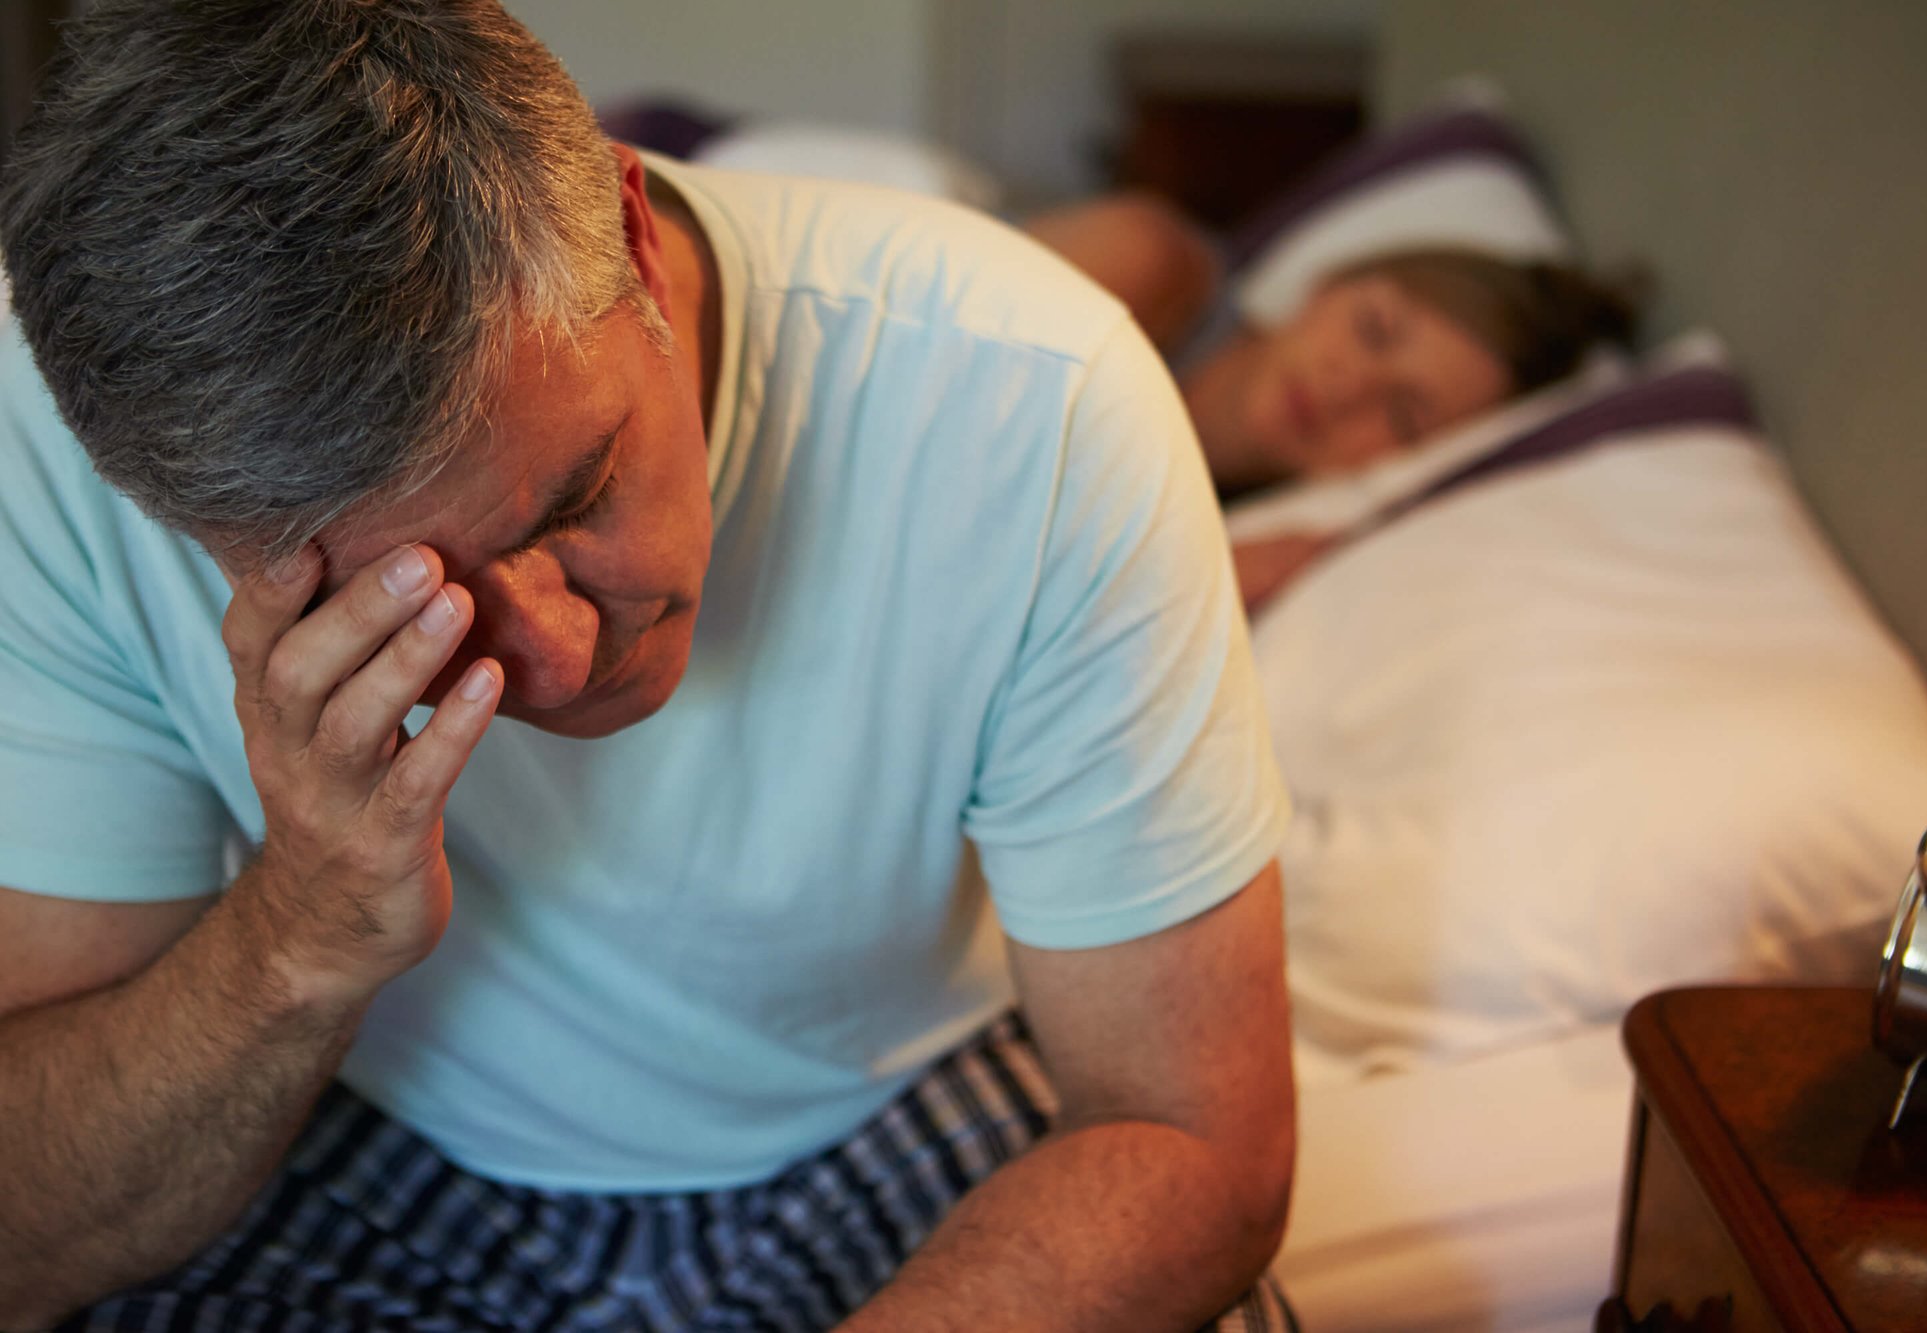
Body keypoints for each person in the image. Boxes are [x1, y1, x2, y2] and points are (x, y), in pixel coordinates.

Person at [0, 4, 1294, 1331]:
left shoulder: (1031, 395)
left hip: (878, 1100)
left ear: (634, 239)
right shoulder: (50, 445)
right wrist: (300, 937)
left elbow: (1197, 1137)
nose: (558, 661)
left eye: (577, 494)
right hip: (374, 1125)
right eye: (407, 605)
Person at [1027, 193, 1640, 612]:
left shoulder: (1259, 541)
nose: (1345, 388)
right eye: (1372, 329)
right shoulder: (1145, 268)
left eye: (1403, 415)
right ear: (1332, 281)